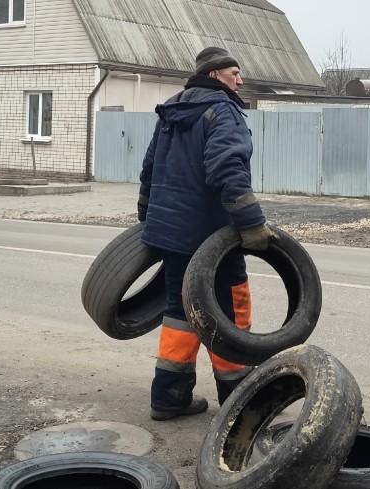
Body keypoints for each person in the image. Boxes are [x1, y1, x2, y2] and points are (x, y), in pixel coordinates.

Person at [137, 46, 278, 421]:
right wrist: (250, 223)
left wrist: (147, 217)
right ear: (215, 75)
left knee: (180, 311)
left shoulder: (172, 109)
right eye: (234, 73)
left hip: (173, 236)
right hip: (212, 237)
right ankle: (240, 404)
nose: (241, 79)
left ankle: (169, 397)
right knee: (231, 311)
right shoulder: (223, 110)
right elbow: (227, 168)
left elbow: (150, 168)